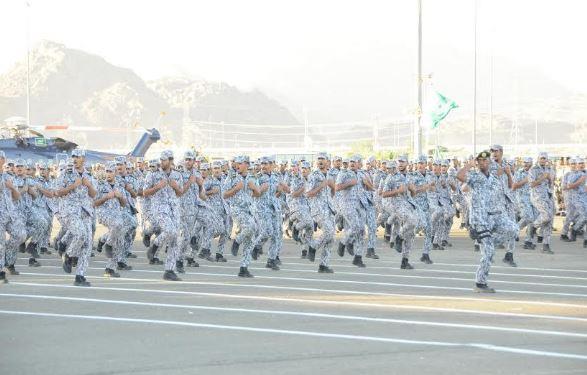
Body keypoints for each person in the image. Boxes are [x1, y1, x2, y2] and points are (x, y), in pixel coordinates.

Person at [457, 151, 517, 293]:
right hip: (481, 218)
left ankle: (485, 242)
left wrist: (508, 174)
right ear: (477, 163)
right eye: (480, 161)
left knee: (513, 230)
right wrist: (468, 165)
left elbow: (510, 188)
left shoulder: (495, 179)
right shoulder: (475, 177)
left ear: (489, 162)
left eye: (485, 161)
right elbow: (459, 176)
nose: (483, 163)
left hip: (497, 215)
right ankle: (480, 283)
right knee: (489, 252)